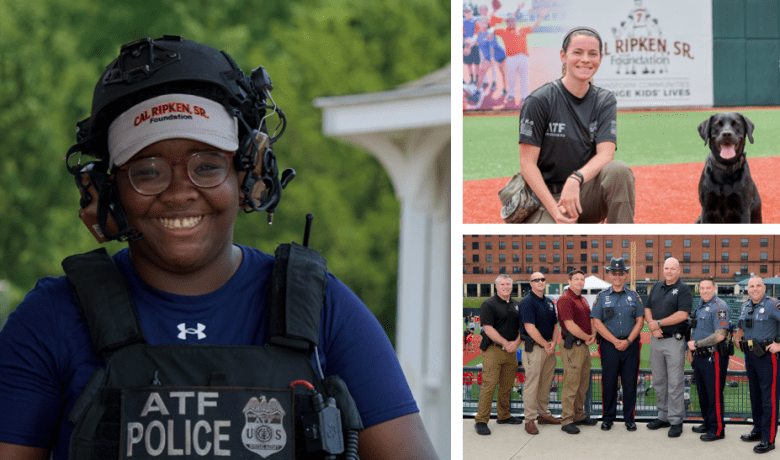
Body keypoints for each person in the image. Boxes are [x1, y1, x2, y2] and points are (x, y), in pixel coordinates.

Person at [0, 36, 438, 460]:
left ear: (250, 176)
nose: (179, 192)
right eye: (147, 171)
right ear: (106, 192)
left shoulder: (322, 308)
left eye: (207, 166)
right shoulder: (53, 319)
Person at [517, 27, 635, 224]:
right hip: (547, 199)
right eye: (577, 52)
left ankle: (619, 250)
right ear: (563, 56)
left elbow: (606, 154)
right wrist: (555, 210)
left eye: (592, 54)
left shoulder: (604, 100)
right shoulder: (539, 100)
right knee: (555, 248)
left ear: (600, 58)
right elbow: (527, 164)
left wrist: (576, 179)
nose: (585, 59)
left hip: (583, 194)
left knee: (619, 171)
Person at [591, 258, 644, 432]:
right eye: (614, 273)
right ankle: (608, 418)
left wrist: (628, 341)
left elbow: (640, 321)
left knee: (629, 383)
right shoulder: (602, 296)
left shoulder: (634, 296)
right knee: (609, 382)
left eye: (620, 273)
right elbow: (597, 322)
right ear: (609, 275)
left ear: (625, 275)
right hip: (609, 346)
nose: (617, 276)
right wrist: (615, 341)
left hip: (630, 346)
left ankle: (629, 418)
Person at [644, 257, 692, 438]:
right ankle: (663, 416)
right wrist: (651, 324)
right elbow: (647, 308)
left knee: (675, 383)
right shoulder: (656, 286)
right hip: (656, 340)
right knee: (659, 381)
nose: (669, 271)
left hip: (674, 339)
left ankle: (676, 420)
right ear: (663, 269)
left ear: (678, 270)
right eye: (666, 268)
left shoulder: (684, 289)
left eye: (672, 268)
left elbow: (682, 314)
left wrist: (658, 323)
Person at [734, 276, 780, 454]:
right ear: (748, 289)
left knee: (769, 399)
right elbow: (741, 327)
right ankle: (758, 430)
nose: (754, 289)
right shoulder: (745, 306)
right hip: (751, 355)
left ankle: (768, 439)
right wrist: (738, 338)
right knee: (755, 395)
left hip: (768, 357)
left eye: (758, 286)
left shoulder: (772, 305)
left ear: (764, 287)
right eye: (751, 286)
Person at [474, 274, 523, 435]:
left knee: (507, 386)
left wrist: (515, 344)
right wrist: (505, 343)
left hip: (511, 351)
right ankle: (481, 420)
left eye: (508, 284)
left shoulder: (517, 305)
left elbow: (522, 328)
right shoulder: (489, 304)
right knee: (489, 385)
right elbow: (488, 328)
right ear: (496, 286)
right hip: (493, 349)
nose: (506, 287)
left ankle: (504, 415)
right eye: (502, 284)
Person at [685, 277, 729, 442]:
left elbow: (720, 336)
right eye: (702, 288)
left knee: (714, 394)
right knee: (702, 393)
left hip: (713, 356)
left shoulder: (720, 307)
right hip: (699, 357)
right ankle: (708, 422)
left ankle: (717, 430)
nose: (704, 291)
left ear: (715, 288)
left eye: (707, 288)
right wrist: (690, 350)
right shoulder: (700, 305)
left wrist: (695, 344)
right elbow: (693, 327)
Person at [519, 272, 561, 435]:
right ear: (531, 283)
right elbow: (529, 327)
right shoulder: (527, 302)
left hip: (548, 349)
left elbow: (556, 325)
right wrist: (546, 345)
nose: (540, 282)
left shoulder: (549, 302)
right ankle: (529, 419)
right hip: (535, 349)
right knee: (531, 385)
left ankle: (544, 414)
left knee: (546, 383)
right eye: (537, 280)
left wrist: (553, 344)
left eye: (543, 279)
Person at [556, 270, 597, 434]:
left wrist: (591, 336)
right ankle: (566, 420)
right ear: (569, 281)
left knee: (583, 383)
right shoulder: (566, 299)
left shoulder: (582, 300)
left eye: (582, 279)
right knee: (571, 384)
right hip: (573, 345)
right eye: (576, 279)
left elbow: (589, 320)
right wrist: (588, 336)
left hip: (583, 346)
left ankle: (579, 415)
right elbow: (570, 325)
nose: (580, 282)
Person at [493, 9, 546, 108]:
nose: (511, 22)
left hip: (523, 57)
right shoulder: (503, 31)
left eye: (512, 20)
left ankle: (525, 96)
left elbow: (534, 26)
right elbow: (492, 28)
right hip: (510, 58)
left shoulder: (522, 29)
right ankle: (511, 95)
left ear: (515, 21)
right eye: (509, 21)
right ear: (506, 22)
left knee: (524, 78)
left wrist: (541, 16)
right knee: (511, 78)